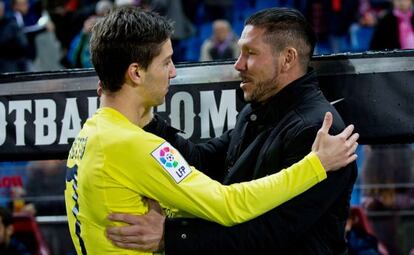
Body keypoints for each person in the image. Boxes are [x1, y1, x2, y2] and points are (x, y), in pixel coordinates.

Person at [64, 7, 359, 254]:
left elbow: (274, 231)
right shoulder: (136, 144)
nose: (237, 64)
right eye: (166, 62)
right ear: (136, 73)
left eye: (250, 53)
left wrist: (172, 236)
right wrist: (314, 166)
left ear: (288, 58)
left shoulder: (323, 134)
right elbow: (221, 194)